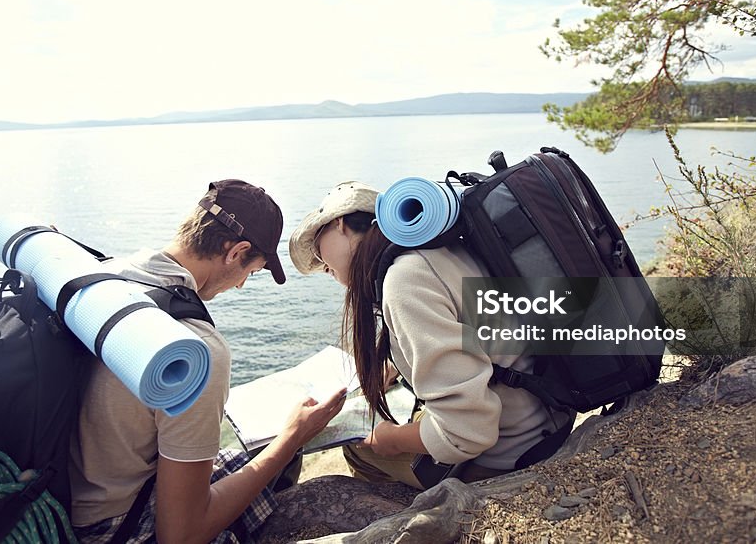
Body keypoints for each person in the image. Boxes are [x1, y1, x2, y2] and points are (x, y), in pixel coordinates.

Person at [69, 179, 346, 544]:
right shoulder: (194, 350)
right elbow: (181, 536)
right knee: (278, 455)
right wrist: (293, 437)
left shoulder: (104, 275)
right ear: (236, 252)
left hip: (59, 498)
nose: (242, 284)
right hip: (110, 527)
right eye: (252, 271)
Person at [288, 181, 574, 490]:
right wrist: (398, 365)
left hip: (513, 452)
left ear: (339, 224)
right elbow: (475, 327)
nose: (320, 264)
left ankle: (399, 512)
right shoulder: (436, 251)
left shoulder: (404, 281)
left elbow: (467, 434)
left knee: (359, 447)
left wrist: (393, 439)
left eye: (318, 246)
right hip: (549, 414)